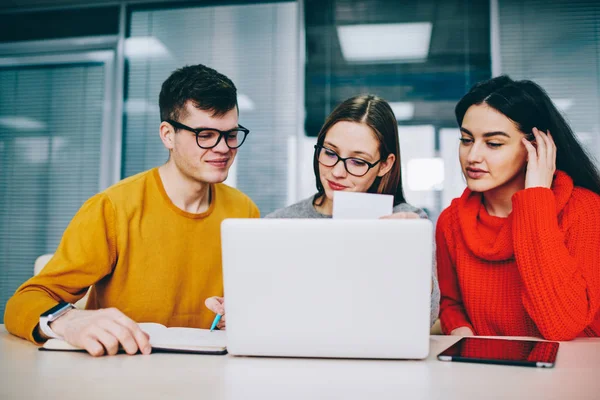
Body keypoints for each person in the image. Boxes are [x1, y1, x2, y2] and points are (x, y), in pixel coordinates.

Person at [4, 64, 259, 356]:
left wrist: (242, 313)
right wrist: (70, 320)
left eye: (230, 134)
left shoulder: (244, 211)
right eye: (205, 134)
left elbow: (253, 302)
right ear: (168, 135)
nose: (223, 148)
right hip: (119, 373)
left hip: (212, 374)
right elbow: (23, 302)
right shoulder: (112, 208)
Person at [205, 94, 440, 329]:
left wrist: (413, 257)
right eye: (329, 153)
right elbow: (263, 311)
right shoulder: (279, 223)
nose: (337, 171)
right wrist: (235, 312)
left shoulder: (408, 222)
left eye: (358, 162)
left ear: (385, 165)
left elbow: (426, 319)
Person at [436, 75, 600, 341]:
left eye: (493, 143)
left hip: (570, 374)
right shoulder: (451, 221)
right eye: (466, 140)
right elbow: (451, 303)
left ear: (535, 147)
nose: (473, 156)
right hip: (486, 373)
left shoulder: (584, 210)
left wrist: (536, 200)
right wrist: (459, 331)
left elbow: (562, 325)